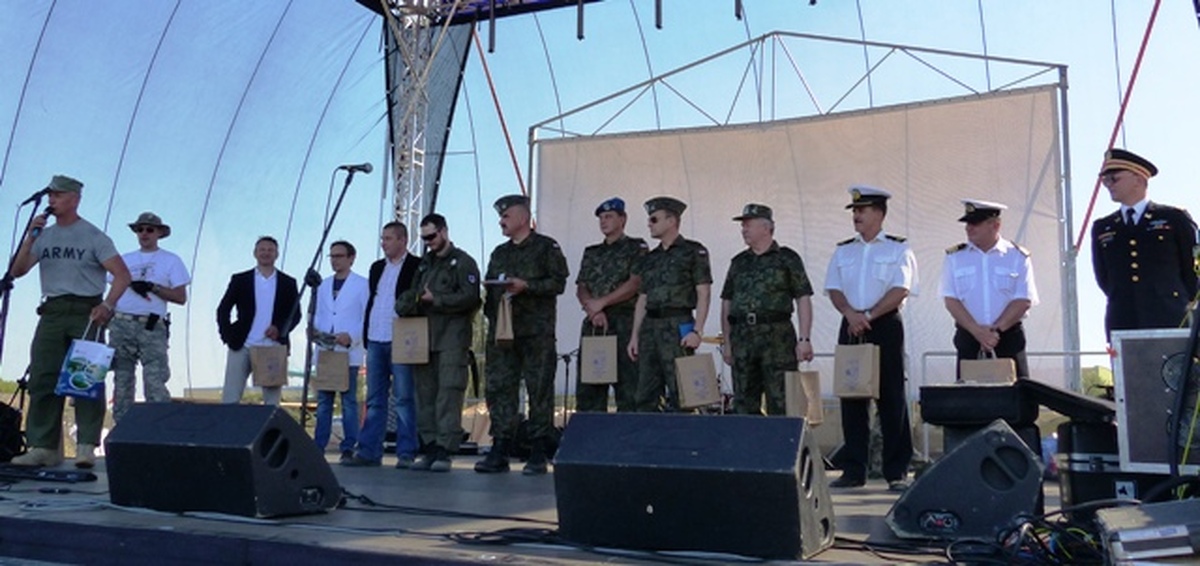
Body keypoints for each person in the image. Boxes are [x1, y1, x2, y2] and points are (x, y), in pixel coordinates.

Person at [11, 175, 131, 468]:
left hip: (86, 311)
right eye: (50, 195)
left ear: (75, 199)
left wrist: (107, 305)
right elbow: (17, 271)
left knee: (85, 377)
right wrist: (30, 238)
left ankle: (86, 445)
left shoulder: (93, 236)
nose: (52, 200)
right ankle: (44, 446)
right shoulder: (45, 235)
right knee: (43, 377)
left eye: (58, 195)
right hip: (52, 310)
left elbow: (122, 275)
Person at [823, 185, 918, 492]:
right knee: (852, 397)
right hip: (852, 324)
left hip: (884, 324)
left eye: (862, 210)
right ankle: (854, 470)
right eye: (854, 211)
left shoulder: (898, 249)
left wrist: (870, 315)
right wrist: (851, 314)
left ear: (879, 213)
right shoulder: (844, 250)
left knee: (891, 397)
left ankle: (896, 471)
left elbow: (901, 289)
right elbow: (834, 288)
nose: (856, 216)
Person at [475, 194, 568, 475]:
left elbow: (558, 283)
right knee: (500, 389)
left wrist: (527, 286)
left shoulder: (546, 247)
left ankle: (538, 449)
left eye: (506, 216)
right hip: (504, 333)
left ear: (523, 218)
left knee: (539, 389)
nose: (501, 222)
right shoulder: (499, 253)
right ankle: (500, 446)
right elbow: (490, 290)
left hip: (536, 332)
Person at [396, 214, 481, 472]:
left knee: (448, 393)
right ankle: (430, 446)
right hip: (424, 338)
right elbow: (414, 292)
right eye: (424, 238)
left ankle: (446, 449)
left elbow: (471, 298)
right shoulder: (425, 264)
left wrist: (438, 300)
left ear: (444, 231)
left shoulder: (463, 262)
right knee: (425, 395)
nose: (429, 242)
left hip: (451, 338)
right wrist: (408, 302)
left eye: (432, 236)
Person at [1091, 149, 1198, 338]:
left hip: (1170, 317)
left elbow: (1193, 271)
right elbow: (1104, 278)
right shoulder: (1103, 227)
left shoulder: (1173, 219)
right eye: (1105, 181)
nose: (1109, 185)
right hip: (1123, 319)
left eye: (1114, 179)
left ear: (1138, 180)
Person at [719, 203, 814, 415]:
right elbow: (727, 303)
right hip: (743, 337)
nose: (743, 229)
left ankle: (781, 438)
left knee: (781, 401)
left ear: (766, 227)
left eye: (748, 224)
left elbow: (803, 298)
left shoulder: (787, 258)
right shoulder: (739, 262)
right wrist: (727, 342)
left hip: (777, 337)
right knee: (743, 402)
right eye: (742, 225)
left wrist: (804, 339)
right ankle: (748, 438)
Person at [343, 222, 421, 468]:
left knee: (404, 397)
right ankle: (369, 451)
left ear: (402, 240)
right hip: (376, 337)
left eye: (388, 238)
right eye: (382, 238)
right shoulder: (377, 267)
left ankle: (406, 452)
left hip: (401, 336)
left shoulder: (417, 265)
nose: (383, 243)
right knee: (375, 398)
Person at [628, 196, 712, 412]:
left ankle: (683, 433)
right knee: (644, 393)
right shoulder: (651, 258)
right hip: (650, 326)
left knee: (682, 391)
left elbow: (703, 292)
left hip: (678, 324)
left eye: (654, 219)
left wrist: (697, 331)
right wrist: (635, 335)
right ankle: (649, 433)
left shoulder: (693, 251)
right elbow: (643, 298)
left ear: (671, 220)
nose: (649, 224)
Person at [940, 200, 1038, 380]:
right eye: (967, 223)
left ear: (995, 225)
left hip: (1007, 337)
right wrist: (978, 332)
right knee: (970, 395)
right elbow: (951, 300)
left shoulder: (1017, 256)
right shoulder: (955, 257)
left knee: (1016, 394)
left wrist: (995, 331)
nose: (969, 228)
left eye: (975, 223)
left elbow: (1023, 300)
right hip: (969, 337)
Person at [108, 212, 190, 423]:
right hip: (122, 323)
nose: (144, 233)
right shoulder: (124, 260)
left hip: (151, 325)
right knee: (122, 380)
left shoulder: (171, 260)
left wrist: (153, 288)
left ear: (159, 233)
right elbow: (112, 285)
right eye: (140, 229)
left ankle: (158, 428)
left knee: (155, 382)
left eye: (150, 229)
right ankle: (123, 428)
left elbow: (180, 297)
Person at [574, 197, 647, 413]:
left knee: (629, 388)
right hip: (595, 324)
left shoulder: (636, 247)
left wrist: (602, 303)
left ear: (623, 219)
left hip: (624, 322)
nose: (603, 221)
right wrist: (592, 310)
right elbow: (581, 286)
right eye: (601, 218)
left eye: (609, 217)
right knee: (590, 389)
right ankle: (592, 433)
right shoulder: (592, 252)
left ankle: (627, 434)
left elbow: (635, 283)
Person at [217, 236, 300, 406]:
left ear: (276, 254)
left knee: (271, 403)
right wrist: (227, 336)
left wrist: (279, 329)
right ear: (255, 253)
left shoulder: (288, 282)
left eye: (270, 250)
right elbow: (223, 309)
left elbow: (295, 314)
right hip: (242, 345)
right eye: (262, 249)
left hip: (272, 346)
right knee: (231, 398)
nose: (266, 253)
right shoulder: (240, 279)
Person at [311, 241, 368, 463]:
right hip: (326, 351)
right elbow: (317, 314)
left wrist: (352, 336)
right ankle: (318, 445)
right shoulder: (323, 286)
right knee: (324, 402)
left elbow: (366, 317)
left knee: (348, 401)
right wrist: (316, 331)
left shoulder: (362, 285)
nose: (335, 260)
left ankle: (349, 446)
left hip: (347, 351)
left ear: (351, 258)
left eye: (339, 256)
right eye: (332, 256)